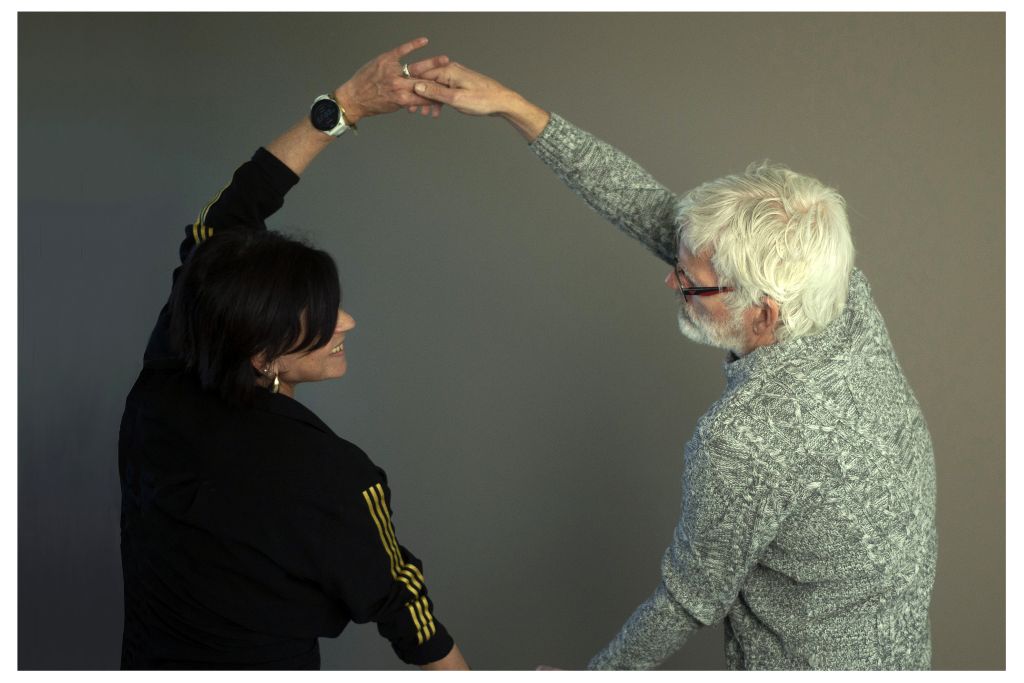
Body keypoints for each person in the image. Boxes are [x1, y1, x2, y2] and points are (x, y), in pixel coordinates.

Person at [412, 64, 937, 670]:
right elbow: (652, 211)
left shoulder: (746, 436)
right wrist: (515, 107)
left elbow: (687, 601)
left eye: (689, 281)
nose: (671, 280)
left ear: (764, 312)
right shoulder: (841, 295)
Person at [118, 38, 469, 670]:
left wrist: (347, 104)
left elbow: (224, 225)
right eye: (322, 319)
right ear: (263, 356)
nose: (348, 323)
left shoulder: (171, 371)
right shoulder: (330, 475)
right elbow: (412, 620)